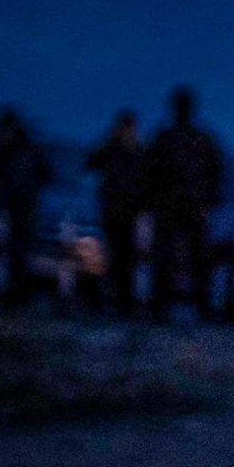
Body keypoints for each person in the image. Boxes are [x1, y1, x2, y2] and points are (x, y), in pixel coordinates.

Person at [142, 86, 225, 320]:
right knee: (189, 257)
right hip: (185, 205)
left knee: (180, 257)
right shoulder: (199, 139)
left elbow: (150, 172)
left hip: (178, 205)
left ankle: (171, 306)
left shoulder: (166, 138)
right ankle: (194, 306)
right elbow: (216, 172)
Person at [0, 107, 53, 306]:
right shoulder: (0, 150)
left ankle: (17, 295)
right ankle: (0, 293)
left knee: (20, 254)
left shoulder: (28, 151)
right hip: (4, 209)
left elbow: (47, 174)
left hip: (24, 209)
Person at [86, 110, 146, 314]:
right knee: (114, 255)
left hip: (129, 211)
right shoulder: (111, 149)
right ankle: (113, 298)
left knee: (126, 256)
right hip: (113, 211)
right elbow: (90, 162)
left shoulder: (138, 151)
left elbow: (148, 180)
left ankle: (124, 300)